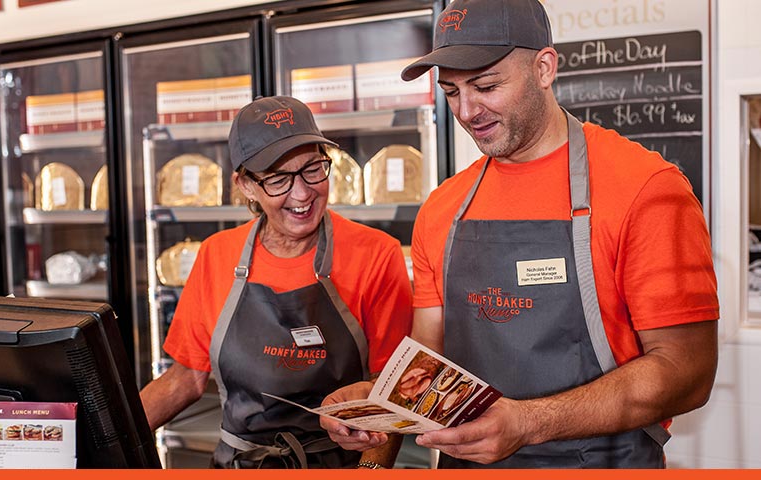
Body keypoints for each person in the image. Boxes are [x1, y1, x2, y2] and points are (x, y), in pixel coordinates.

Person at [320, 0, 719, 469]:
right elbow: (426, 362)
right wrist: (378, 406)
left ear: (544, 68)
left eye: (486, 86)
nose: (467, 111)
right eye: (451, 92)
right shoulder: (443, 208)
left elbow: (687, 372)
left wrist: (529, 421)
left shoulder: (644, 189)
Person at [139, 95, 413, 469]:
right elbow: (185, 378)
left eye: (313, 169)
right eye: (279, 179)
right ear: (246, 186)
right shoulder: (217, 255)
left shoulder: (376, 253)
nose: (302, 194)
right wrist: (100, 441)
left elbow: (392, 389)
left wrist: (370, 472)